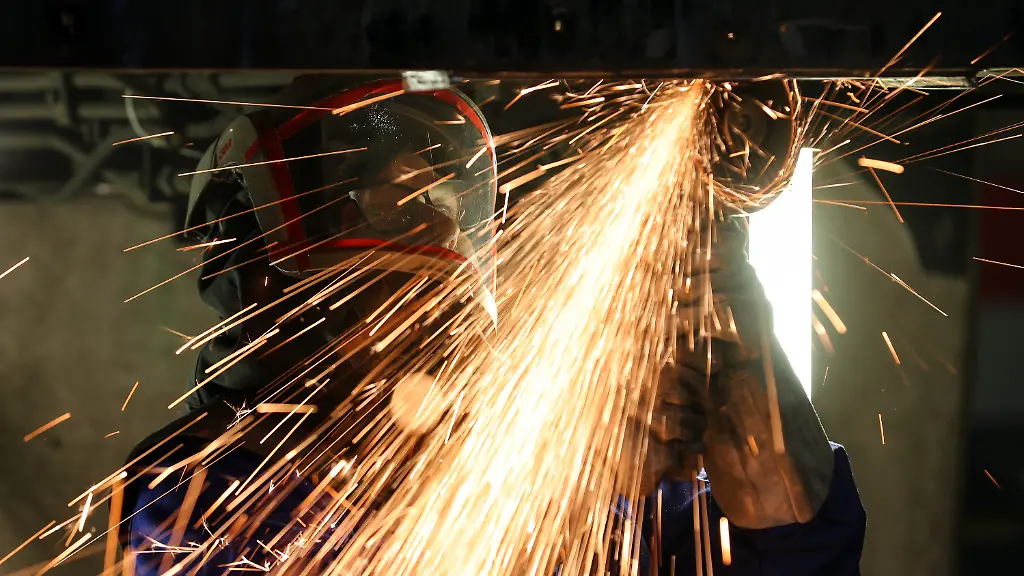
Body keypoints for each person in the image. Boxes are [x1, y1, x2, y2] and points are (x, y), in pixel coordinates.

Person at [118, 76, 865, 575]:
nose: (419, 192)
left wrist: (724, 285)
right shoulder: (188, 490)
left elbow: (797, 545)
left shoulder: (567, 461)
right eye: (377, 178)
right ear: (255, 263)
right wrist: (567, 491)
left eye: (432, 182)